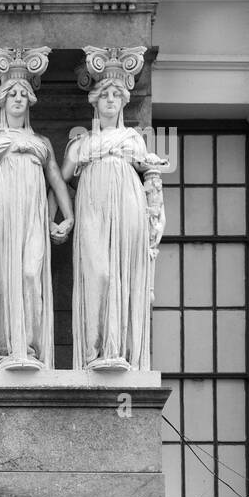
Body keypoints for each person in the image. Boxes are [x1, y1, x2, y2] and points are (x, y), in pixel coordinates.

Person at [0, 46, 74, 371]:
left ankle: (31, 348)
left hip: (33, 218)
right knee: (1, 279)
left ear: (29, 102)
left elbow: (58, 183)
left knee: (29, 274)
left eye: (24, 94)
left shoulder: (42, 144)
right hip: (0, 213)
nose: (19, 99)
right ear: (3, 100)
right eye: (13, 94)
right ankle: (7, 349)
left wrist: (69, 217)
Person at [62, 45, 163, 371]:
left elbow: (151, 176)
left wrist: (154, 198)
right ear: (96, 101)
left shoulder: (134, 139)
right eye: (104, 95)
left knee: (122, 274)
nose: (109, 101)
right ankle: (94, 351)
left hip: (126, 207)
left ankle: (116, 350)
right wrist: (62, 216)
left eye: (115, 96)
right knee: (100, 274)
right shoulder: (81, 144)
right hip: (92, 209)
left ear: (122, 103)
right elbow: (59, 180)